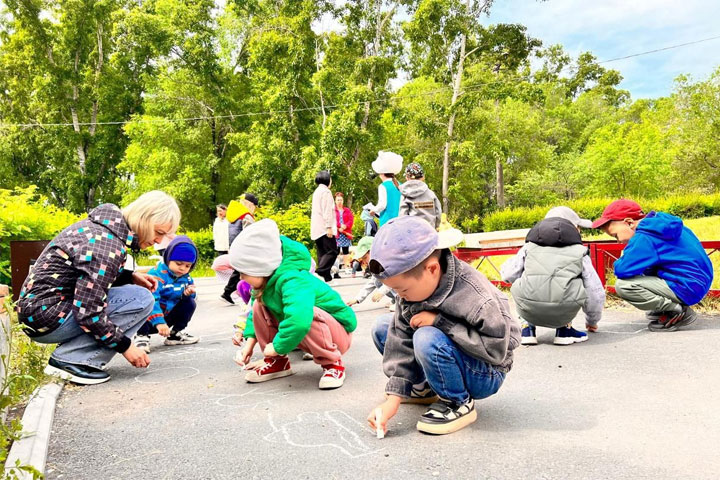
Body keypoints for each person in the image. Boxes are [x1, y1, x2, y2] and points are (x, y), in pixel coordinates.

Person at [367, 216, 520, 436]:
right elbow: (400, 341)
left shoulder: (475, 295)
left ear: (432, 269)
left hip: (486, 370)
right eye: (396, 292)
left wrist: (441, 323)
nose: (400, 297)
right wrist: (394, 398)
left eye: (403, 290)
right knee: (384, 327)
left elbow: (496, 350)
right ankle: (424, 387)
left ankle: (458, 401)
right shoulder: (411, 292)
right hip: (451, 353)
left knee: (426, 336)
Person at [16, 191, 181, 385]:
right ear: (143, 218)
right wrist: (125, 346)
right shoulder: (108, 245)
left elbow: (83, 276)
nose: (159, 242)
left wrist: (129, 276)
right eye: (159, 233)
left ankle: (71, 353)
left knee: (136, 293)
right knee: (141, 299)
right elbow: (88, 310)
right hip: (49, 317)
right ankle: (70, 359)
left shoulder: (100, 231)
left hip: (40, 313)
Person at [231, 219, 357, 389]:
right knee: (259, 306)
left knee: (305, 312)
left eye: (243, 272)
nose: (241, 278)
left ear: (260, 267)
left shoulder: (293, 280)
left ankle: (333, 364)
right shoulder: (266, 283)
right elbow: (254, 317)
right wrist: (249, 346)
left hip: (336, 335)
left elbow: (299, 320)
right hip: (311, 333)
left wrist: (276, 347)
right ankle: (277, 363)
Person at [592, 199, 713, 332]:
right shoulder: (663, 224)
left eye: (615, 235)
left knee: (624, 285)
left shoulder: (645, 237)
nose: (619, 241)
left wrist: (625, 258)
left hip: (686, 286)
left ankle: (677, 311)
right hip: (697, 282)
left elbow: (622, 269)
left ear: (629, 222)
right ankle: (667, 308)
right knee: (643, 270)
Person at [501, 206, 606, 345]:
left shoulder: (528, 248)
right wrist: (592, 320)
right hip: (563, 311)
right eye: (579, 228)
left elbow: (508, 275)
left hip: (528, 309)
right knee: (571, 282)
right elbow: (594, 291)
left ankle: (526, 329)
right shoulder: (580, 252)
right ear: (573, 228)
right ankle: (564, 330)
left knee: (524, 280)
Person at [134, 235, 201, 353]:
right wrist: (159, 322)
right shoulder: (157, 274)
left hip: (167, 316)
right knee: (143, 301)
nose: (182, 268)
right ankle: (141, 336)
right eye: (178, 263)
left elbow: (189, 298)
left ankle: (174, 334)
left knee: (190, 303)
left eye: (187, 266)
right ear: (168, 258)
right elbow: (151, 299)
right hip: (149, 318)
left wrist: (188, 294)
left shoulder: (185, 277)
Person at [220, 193, 258, 305]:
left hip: (234, 245)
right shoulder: (246, 216)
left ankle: (232, 293)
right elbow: (250, 233)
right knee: (243, 271)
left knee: (240, 271)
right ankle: (228, 293)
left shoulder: (234, 215)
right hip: (244, 247)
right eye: (255, 207)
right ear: (251, 205)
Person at [346, 236, 395, 310]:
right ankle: (396, 299)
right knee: (376, 280)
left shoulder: (388, 259)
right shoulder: (375, 264)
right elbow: (371, 282)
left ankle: (402, 301)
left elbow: (395, 278)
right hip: (395, 285)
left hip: (409, 286)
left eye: (365, 257)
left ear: (373, 251)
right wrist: (357, 299)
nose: (365, 262)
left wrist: (381, 292)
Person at [311, 170, 338, 283]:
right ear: (327, 179)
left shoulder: (317, 191)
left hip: (317, 227)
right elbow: (327, 210)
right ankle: (320, 272)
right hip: (324, 227)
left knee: (322, 252)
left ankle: (326, 277)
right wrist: (329, 227)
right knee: (332, 251)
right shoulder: (326, 192)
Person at [399, 162, 442, 229]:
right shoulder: (431, 194)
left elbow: (402, 217)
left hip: (413, 233)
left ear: (407, 177)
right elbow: (438, 213)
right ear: (423, 177)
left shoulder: (405, 195)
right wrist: (436, 227)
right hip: (430, 231)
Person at [369, 151, 403, 227]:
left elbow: (382, 205)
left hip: (387, 222)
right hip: (400, 222)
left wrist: (373, 210)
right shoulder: (400, 185)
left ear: (381, 173)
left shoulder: (383, 186)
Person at [334, 192, 354, 273]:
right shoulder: (333, 210)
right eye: (338, 200)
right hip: (337, 233)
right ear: (335, 201)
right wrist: (339, 227)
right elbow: (332, 220)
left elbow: (351, 220)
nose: (339, 201)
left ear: (343, 201)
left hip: (346, 233)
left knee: (346, 251)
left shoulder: (347, 210)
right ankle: (336, 268)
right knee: (336, 251)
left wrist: (345, 226)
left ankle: (346, 267)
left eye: (341, 200)